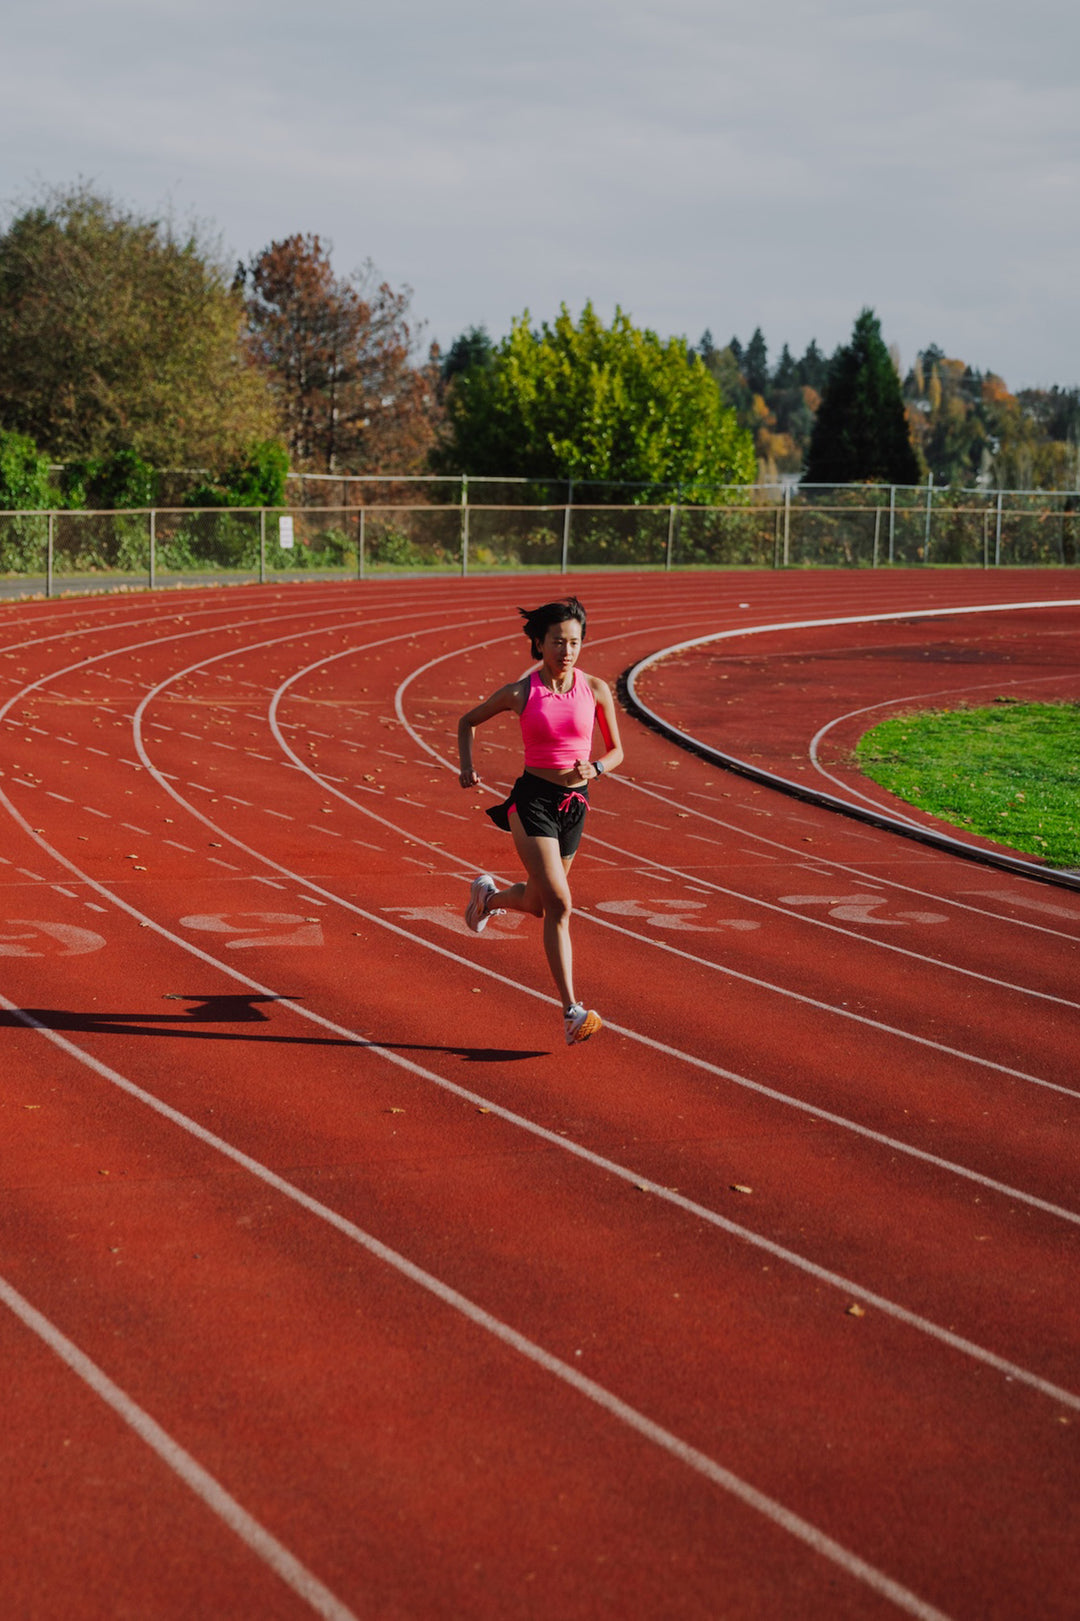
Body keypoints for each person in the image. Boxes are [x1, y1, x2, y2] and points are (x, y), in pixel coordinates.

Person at [457, 596, 624, 1045]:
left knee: (537, 903)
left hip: (575, 805)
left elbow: (617, 750)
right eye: (557, 642)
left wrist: (598, 768)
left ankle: (487, 899)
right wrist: (467, 766)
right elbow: (468, 720)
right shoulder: (522, 692)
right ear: (539, 643)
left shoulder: (597, 689)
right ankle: (572, 1011)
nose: (566, 651)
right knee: (562, 906)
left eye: (574, 643)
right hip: (531, 802)